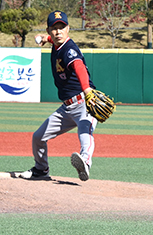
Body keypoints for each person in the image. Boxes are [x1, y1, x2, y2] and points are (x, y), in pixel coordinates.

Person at [20, 10, 97, 181]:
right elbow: (53, 39)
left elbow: (79, 67)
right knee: (38, 137)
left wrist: (87, 91)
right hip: (67, 108)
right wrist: (43, 39)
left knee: (85, 132)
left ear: (68, 28)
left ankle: (85, 161)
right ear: (49, 31)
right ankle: (41, 169)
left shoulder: (69, 49)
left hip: (85, 102)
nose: (58, 31)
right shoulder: (56, 43)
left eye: (62, 27)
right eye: (54, 28)